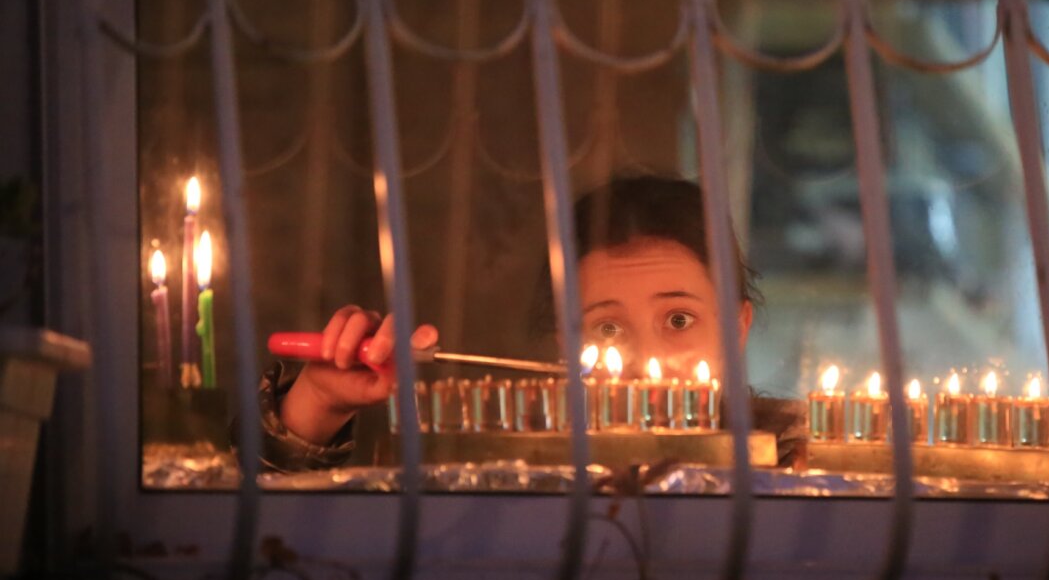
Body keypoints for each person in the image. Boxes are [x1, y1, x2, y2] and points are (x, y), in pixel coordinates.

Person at [256, 175, 806, 471]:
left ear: (737, 327)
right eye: (607, 329)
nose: (646, 356)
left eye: (679, 318)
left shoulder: (801, 451)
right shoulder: (519, 469)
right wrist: (319, 404)